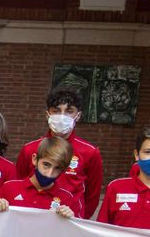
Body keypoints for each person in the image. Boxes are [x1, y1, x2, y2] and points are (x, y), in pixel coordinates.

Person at [15, 87, 103, 219]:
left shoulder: (90, 152)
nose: (62, 117)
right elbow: (19, 184)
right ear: (48, 114)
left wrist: (79, 218)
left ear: (78, 116)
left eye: (69, 111)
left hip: (70, 220)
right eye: (56, 111)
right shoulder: (30, 149)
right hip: (33, 218)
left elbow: (93, 196)